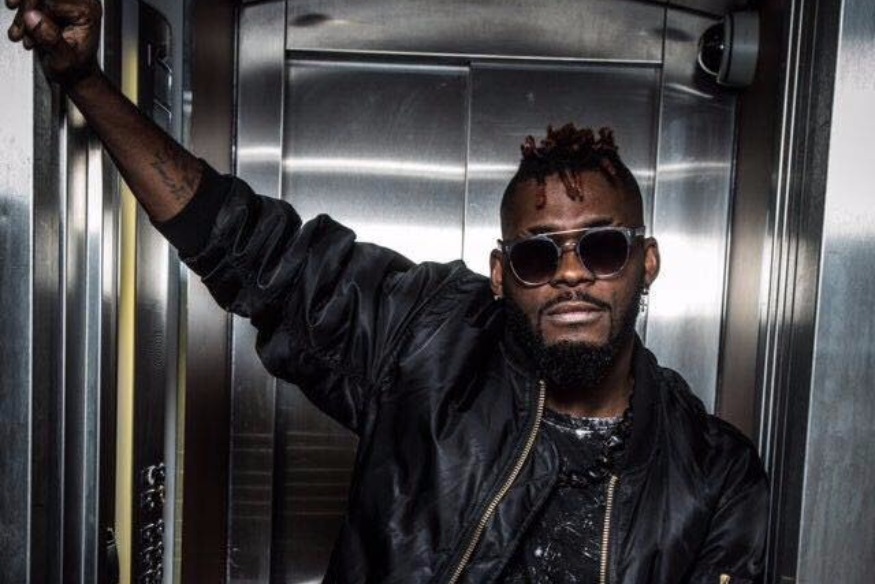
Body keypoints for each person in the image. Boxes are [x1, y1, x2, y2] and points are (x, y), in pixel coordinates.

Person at [7, 1, 769, 582]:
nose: (571, 273)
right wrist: (84, 80)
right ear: (501, 275)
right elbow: (246, 245)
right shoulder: (427, 338)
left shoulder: (713, 475)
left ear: (646, 261)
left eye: (601, 247)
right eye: (539, 256)